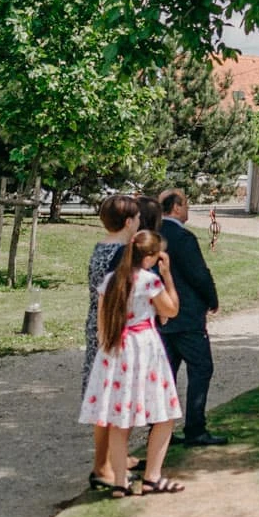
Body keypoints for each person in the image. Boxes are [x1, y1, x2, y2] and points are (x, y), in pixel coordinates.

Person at [79, 230, 187, 495]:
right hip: (144, 346)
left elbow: (103, 324)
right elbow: (171, 309)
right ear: (150, 257)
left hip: (115, 349)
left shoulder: (110, 281)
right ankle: (152, 477)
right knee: (164, 414)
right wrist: (168, 276)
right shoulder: (149, 282)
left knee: (119, 417)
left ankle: (119, 482)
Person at [156, 189, 226, 447]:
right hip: (186, 315)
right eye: (185, 205)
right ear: (175, 208)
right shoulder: (183, 237)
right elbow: (198, 273)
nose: (187, 209)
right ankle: (195, 428)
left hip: (160, 314)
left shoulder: (152, 235)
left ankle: (159, 429)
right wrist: (212, 299)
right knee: (201, 368)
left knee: (166, 373)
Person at [81, 192, 140, 398]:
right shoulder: (123, 253)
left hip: (95, 319)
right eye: (138, 218)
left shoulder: (100, 247)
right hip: (114, 322)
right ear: (128, 222)